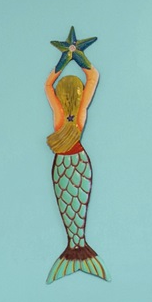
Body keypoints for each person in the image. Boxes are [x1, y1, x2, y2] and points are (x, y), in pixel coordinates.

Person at [44, 28, 107, 282]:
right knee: (78, 204)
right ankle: (78, 245)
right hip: (80, 162)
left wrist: (63, 59)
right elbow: (94, 76)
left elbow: (47, 85)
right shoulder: (80, 116)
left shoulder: (59, 116)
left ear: (61, 96)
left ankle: (75, 245)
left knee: (68, 203)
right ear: (80, 94)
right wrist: (78, 55)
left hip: (62, 164)